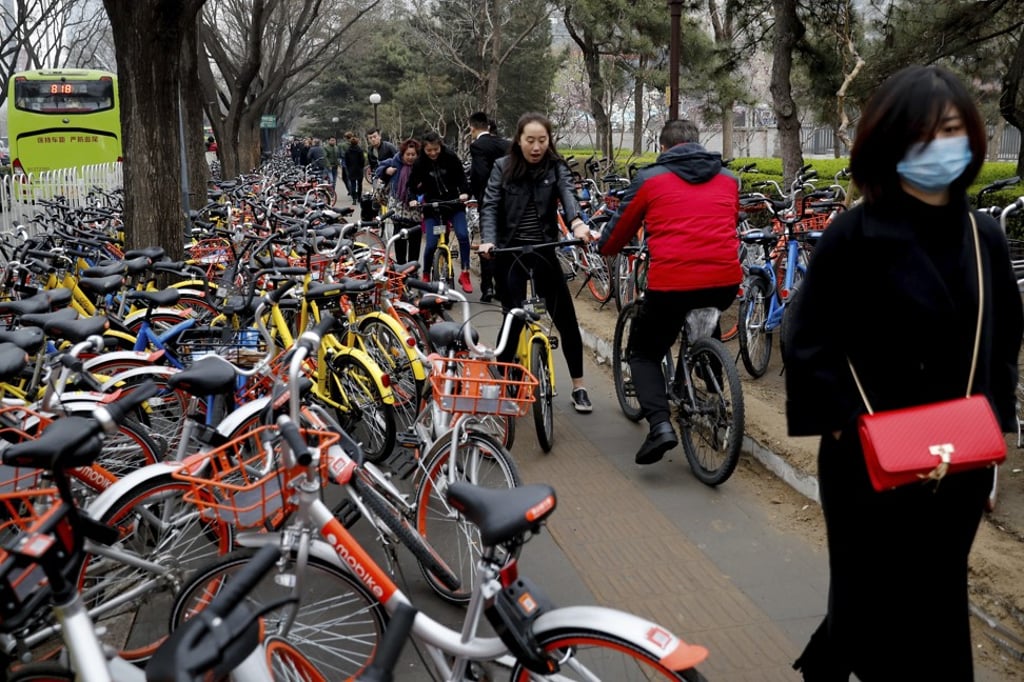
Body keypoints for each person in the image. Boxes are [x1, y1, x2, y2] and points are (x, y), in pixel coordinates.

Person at [782, 64, 1023, 681]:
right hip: (869, 460)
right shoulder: (854, 234)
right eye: (921, 133)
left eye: (950, 130)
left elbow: (1002, 344)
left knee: (936, 600)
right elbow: (806, 337)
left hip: (957, 461)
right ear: (889, 143)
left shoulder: (983, 235)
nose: (939, 145)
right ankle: (835, 657)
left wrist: (995, 430)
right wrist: (841, 424)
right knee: (867, 595)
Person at [598, 119, 742, 463]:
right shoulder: (729, 179)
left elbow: (619, 232)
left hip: (672, 283)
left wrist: (606, 245)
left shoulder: (650, 179)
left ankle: (660, 425)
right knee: (706, 325)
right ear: (699, 144)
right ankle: (709, 394)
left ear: (664, 148)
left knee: (644, 352)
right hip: (724, 280)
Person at [479, 112, 593, 414]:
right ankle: (504, 382)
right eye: (530, 140)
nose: (536, 147)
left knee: (566, 320)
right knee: (512, 319)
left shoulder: (555, 167)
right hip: (509, 252)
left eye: (542, 140)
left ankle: (579, 386)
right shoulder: (502, 168)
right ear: (519, 140)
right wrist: (488, 240)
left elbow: (569, 196)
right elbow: (489, 205)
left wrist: (578, 225)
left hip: (544, 249)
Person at [409, 131, 474, 293]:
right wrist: (412, 198)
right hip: (433, 208)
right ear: (423, 148)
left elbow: (462, 179)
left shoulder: (450, 157)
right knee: (431, 244)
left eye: (436, 149)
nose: (433, 153)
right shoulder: (419, 163)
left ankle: (465, 273)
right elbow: (411, 185)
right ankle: (425, 274)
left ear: (440, 146)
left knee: (463, 235)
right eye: (429, 150)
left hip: (453, 205)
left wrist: (465, 193)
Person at [468, 111, 509, 303]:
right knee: (502, 245)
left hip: (488, 201)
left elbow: (479, 174)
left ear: (473, 127)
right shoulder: (504, 144)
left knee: (487, 245)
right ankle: (502, 288)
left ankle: (487, 288)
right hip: (508, 201)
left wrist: (477, 196)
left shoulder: (477, 146)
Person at [374, 139, 424, 266]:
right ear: (403, 154)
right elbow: (379, 170)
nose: (411, 157)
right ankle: (401, 267)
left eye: (413, 155)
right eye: (408, 154)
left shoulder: (422, 167)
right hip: (398, 211)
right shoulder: (395, 162)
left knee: (415, 242)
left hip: (415, 212)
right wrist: (386, 170)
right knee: (399, 242)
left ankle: (412, 268)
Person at [343, 132, 366, 204]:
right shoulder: (360, 150)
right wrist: (361, 167)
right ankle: (359, 198)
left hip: (351, 169)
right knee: (360, 184)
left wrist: (349, 167)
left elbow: (346, 161)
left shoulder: (348, 151)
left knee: (353, 184)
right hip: (359, 169)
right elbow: (362, 160)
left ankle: (354, 199)